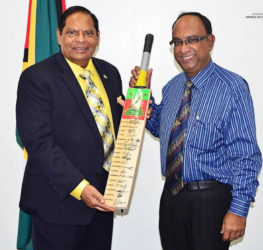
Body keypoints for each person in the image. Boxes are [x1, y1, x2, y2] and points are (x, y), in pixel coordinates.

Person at [129, 12, 262, 250]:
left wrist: (239, 209)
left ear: (210, 42)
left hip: (210, 201)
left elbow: (246, 155)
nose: (183, 48)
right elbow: (162, 130)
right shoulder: (172, 87)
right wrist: (143, 101)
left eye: (191, 40)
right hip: (171, 197)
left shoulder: (232, 87)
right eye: (177, 42)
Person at [16, 6, 124, 250]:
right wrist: (81, 188)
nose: (80, 40)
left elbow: (111, 129)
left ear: (97, 36)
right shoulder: (37, 77)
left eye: (88, 33)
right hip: (58, 204)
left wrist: (139, 107)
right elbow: (38, 142)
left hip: (102, 201)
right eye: (72, 33)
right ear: (58, 36)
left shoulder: (110, 73)